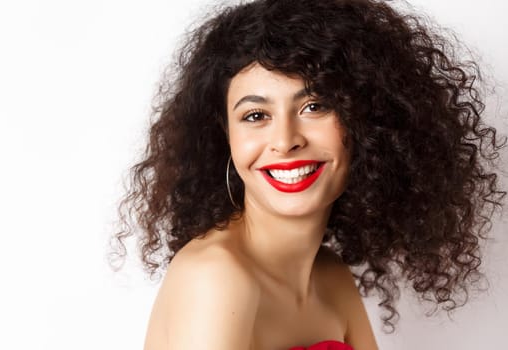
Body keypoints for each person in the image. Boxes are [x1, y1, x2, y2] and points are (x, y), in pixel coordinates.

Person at [113, 0, 506, 349]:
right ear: (225, 134)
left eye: (315, 106)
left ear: (367, 123)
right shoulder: (216, 277)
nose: (285, 141)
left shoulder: (332, 276)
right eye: (255, 116)